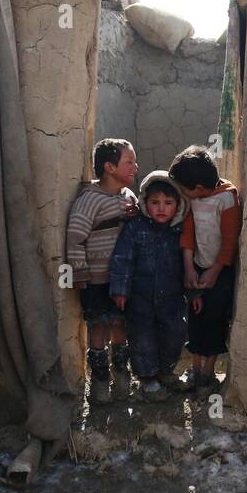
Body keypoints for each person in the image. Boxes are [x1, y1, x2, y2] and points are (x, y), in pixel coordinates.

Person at [66, 138, 139, 403]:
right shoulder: (90, 200)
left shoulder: (129, 197)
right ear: (109, 167)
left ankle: (122, 376)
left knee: (120, 324)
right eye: (129, 162)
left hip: (121, 280)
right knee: (98, 328)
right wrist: (79, 271)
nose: (135, 167)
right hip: (96, 280)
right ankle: (99, 383)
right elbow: (75, 236)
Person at [109, 171, 191, 402]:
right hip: (140, 298)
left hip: (173, 298)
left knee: (174, 333)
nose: (161, 208)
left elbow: (189, 262)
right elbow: (122, 258)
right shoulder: (135, 228)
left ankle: (165, 372)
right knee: (142, 337)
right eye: (155, 202)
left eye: (168, 203)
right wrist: (120, 289)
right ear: (144, 203)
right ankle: (146, 379)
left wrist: (193, 291)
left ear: (179, 205)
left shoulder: (180, 231)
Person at [170, 145, 241, 391]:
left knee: (215, 319)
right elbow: (188, 234)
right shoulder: (192, 199)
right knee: (196, 319)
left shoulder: (227, 196)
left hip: (220, 273)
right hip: (198, 269)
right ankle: (196, 368)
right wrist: (190, 269)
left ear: (199, 188)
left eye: (185, 189)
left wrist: (215, 271)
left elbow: (230, 240)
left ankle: (208, 373)